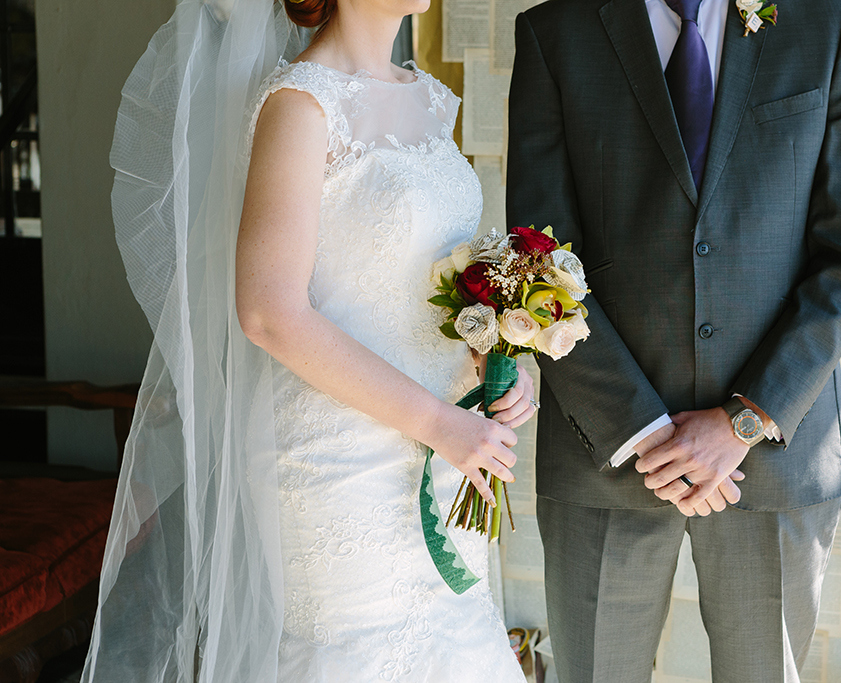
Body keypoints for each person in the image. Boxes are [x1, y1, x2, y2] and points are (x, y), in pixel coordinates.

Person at [83, 0, 531, 680]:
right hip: (342, 462)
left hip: (448, 448)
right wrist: (437, 421)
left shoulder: (430, 102)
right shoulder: (299, 103)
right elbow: (269, 313)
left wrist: (492, 362)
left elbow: (423, 285)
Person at [506, 0, 841, 681]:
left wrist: (745, 419)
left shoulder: (824, 21)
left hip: (769, 461)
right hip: (607, 456)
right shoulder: (553, 32)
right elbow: (540, 260)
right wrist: (642, 429)